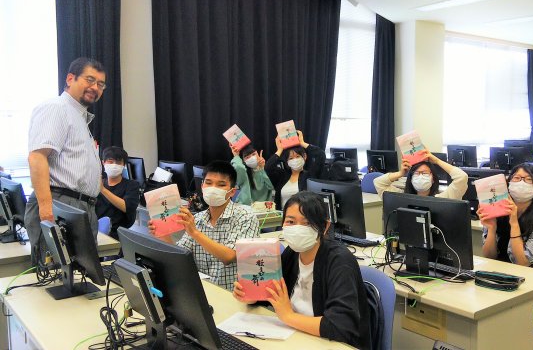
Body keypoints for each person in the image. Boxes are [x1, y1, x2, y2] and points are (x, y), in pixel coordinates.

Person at [232, 191, 371, 349]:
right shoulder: (292, 253)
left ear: (324, 227)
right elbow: (272, 294)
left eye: (307, 223)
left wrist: (288, 316)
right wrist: (251, 295)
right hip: (297, 335)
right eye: (290, 222)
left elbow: (340, 326)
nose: (297, 229)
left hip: (331, 343)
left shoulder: (339, 261)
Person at [25, 57, 106, 265]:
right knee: (54, 277)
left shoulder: (78, 116)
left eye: (100, 84)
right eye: (90, 80)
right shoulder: (57, 108)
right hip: (61, 204)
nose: (95, 87)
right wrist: (46, 209)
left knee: (81, 277)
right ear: (70, 78)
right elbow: (37, 157)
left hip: (82, 206)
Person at [149, 160, 259, 291]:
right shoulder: (198, 218)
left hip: (231, 294)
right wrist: (163, 234)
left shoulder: (245, 215)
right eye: (208, 183)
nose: (213, 188)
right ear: (202, 186)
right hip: (202, 291)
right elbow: (180, 256)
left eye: (221, 185)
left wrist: (194, 233)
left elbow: (229, 257)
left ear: (232, 192)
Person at [479, 164, 533, 308]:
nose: (521, 183)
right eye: (516, 178)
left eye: (528, 180)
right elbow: (489, 257)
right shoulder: (498, 212)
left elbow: (522, 263)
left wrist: (514, 224)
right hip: (499, 277)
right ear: (508, 183)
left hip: (530, 284)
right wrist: (492, 229)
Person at [373, 149, 468, 200]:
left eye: (425, 173)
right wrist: (401, 173)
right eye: (417, 173)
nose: (420, 176)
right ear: (410, 178)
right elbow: (378, 182)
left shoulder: (444, 199)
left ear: (433, 178)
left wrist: (437, 161)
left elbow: (462, 177)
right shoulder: (401, 197)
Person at [265, 130, 326, 209]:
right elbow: (268, 168)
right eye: (291, 158)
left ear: (304, 157)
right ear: (287, 161)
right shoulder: (282, 176)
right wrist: (279, 150)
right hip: (283, 217)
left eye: (297, 156)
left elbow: (320, 155)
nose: (295, 160)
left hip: (304, 217)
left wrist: (302, 143)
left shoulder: (310, 175)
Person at [95, 146, 140, 239]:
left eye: (119, 162)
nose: (114, 165)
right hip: (97, 232)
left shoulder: (131, 185)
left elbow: (127, 207)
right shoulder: (98, 183)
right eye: (110, 161)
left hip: (119, 234)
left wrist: (103, 190)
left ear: (124, 165)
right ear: (103, 163)